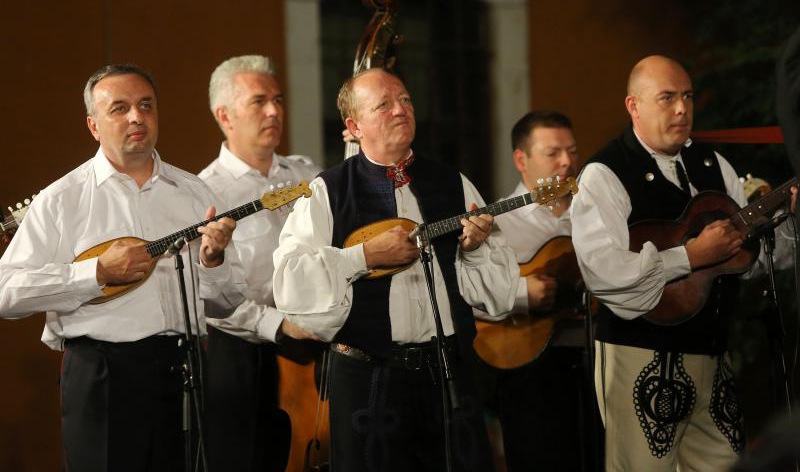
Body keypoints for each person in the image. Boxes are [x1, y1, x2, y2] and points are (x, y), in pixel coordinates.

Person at [272, 68, 523, 472]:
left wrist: (475, 248)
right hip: (369, 380)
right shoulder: (328, 191)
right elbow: (291, 279)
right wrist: (363, 257)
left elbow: (498, 296)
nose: (400, 109)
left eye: (405, 100)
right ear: (354, 126)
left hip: (447, 377)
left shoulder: (452, 184)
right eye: (384, 104)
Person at [0, 64, 248, 471]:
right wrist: (94, 273)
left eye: (145, 105)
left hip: (183, 373)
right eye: (119, 108)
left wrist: (213, 260)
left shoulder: (194, 192)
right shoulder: (62, 199)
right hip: (103, 375)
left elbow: (225, 303)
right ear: (93, 126)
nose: (136, 117)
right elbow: (6, 292)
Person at [571, 55, 797, 471]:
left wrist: (789, 222)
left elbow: (753, 260)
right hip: (637, 357)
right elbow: (603, 272)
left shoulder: (712, 164)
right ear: (633, 106)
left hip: (713, 353)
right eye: (667, 97)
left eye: (688, 96)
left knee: (726, 464)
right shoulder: (604, 174)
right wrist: (690, 256)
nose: (682, 108)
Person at [199, 54, 321, 472]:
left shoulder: (307, 175)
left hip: (313, 347)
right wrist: (279, 325)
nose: (274, 111)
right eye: (259, 101)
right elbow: (209, 291)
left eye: (279, 99)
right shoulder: (203, 192)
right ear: (225, 115)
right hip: (243, 358)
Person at [485, 110, 599, 471]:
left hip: (595, 361)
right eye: (553, 153)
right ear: (521, 159)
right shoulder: (498, 222)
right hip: (529, 370)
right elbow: (469, 292)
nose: (567, 162)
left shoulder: (595, 214)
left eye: (573, 151)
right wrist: (522, 293)